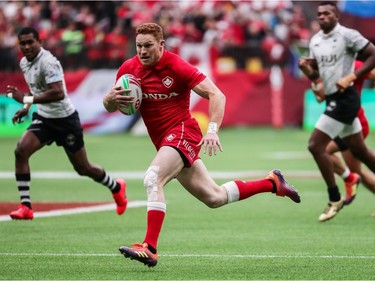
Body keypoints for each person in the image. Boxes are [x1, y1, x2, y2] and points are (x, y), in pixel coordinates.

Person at [103, 22, 301, 268]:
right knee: (214, 197)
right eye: (139, 46)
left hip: (183, 132)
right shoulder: (128, 70)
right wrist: (109, 99)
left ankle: (149, 248)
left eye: (148, 46)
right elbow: (115, 108)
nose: (143, 51)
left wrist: (213, 130)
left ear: (161, 44)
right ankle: (273, 183)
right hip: (164, 142)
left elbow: (217, 94)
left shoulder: (176, 66)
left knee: (153, 178)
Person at [5, 27, 127, 220]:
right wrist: (26, 108)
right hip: (45, 118)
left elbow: (58, 92)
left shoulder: (48, 62)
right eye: (23, 43)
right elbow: (36, 89)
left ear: (39, 42)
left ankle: (116, 187)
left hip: (65, 119)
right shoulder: (24, 63)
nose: (27, 46)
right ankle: (26, 206)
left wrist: (26, 100)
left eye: (30, 42)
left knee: (83, 168)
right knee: (21, 151)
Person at [298, 1, 375, 222]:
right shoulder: (316, 42)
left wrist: (352, 76)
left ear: (337, 16)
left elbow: (372, 56)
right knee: (361, 153)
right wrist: (310, 74)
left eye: (327, 13)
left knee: (316, 145)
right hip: (333, 99)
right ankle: (348, 178)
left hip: (347, 101)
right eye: (319, 13)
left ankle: (334, 197)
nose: (322, 17)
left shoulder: (348, 37)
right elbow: (319, 84)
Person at [311, 61, 375, 206]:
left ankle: (348, 177)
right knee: (357, 171)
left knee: (322, 149)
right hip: (338, 122)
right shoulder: (327, 65)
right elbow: (320, 97)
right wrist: (314, 81)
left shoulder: (353, 64)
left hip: (353, 120)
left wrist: (351, 78)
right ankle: (350, 177)